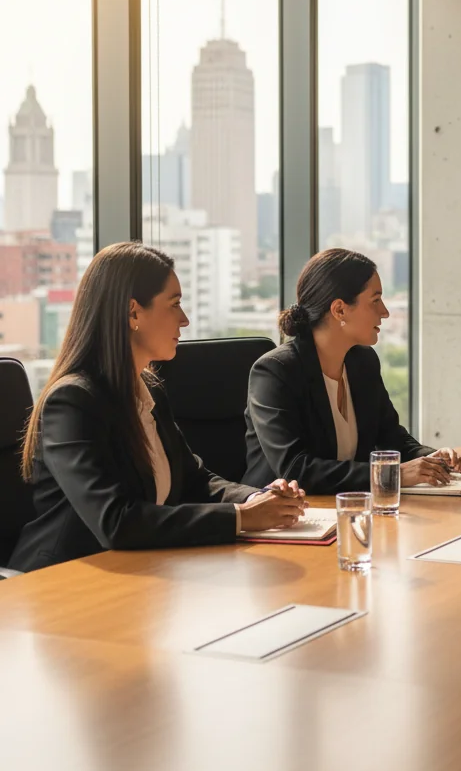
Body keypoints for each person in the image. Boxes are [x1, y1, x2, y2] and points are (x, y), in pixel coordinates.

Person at [10, 243, 304, 573]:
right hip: (64, 579)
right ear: (133, 313)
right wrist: (242, 518)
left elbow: (195, 481)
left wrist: (256, 499)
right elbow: (116, 521)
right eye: (174, 304)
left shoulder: (149, 390)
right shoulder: (71, 403)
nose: (185, 319)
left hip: (139, 571)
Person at [243, 248, 460, 494]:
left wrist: (431, 459)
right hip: (282, 511)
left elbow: (393, 438)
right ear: (340, 310)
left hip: (347, 506)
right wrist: (392, 474)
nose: (385, 312)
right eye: (375, 300)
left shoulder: (363, 362)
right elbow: (296, 469)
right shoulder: (275, 372)